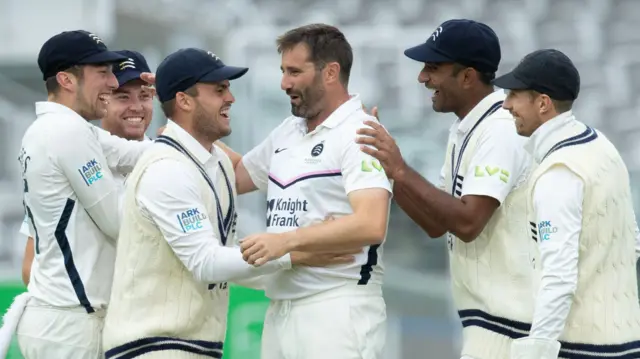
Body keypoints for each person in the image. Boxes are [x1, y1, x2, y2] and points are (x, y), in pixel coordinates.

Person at [101, 47, 356, 359]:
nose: (231, 98)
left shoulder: (219, 162)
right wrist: (298, 252)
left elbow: (228, 261)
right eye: (219, 90)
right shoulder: (165, 169)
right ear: (184, 100)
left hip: (191, 346)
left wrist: (347, 128)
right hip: (151, 347)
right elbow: (206, 262)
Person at [354, 19, 536, 359]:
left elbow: (468, 223)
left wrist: (400, 168)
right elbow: (436, 224)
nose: (423, 77)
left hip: (512, 329)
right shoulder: (464, 129)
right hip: (491, 323)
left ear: (467, 76)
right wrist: (389, 166)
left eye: (433, 68)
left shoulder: (499, 130)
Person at [210, 24, 392, 359]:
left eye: (295, 71)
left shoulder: (361, 132)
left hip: (336, 308)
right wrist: (189, 138)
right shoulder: (288, 131)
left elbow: (371, 223)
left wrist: (284, 241)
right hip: (281, 307)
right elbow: (233, 176)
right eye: (283, 71)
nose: (284, 83)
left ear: (330, 72)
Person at [492, 49, 640, 359]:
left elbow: (558, 275)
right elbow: (632, 242)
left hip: (583, 348)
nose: (506, 105)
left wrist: (536, 350)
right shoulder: (602, 146)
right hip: (626, 341)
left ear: (543, 103)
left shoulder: (559, 172)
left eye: (514, 95)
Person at [13, 31, 151, 359]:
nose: (112, 82)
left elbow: (140, 153)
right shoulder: (67, 132)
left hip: (63, 319)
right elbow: (118, 222)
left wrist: (179, 110)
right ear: (66, 79)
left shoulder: (58, 128)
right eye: (101, 73)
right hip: (71, 324)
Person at [17, 49, 155, 287]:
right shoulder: (70, 152)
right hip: (91, 315)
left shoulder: (169, 159)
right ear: (103, 97)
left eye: (144, 96)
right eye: (122, 96)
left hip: (150, 315)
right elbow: (31, 265)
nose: (136, 107)